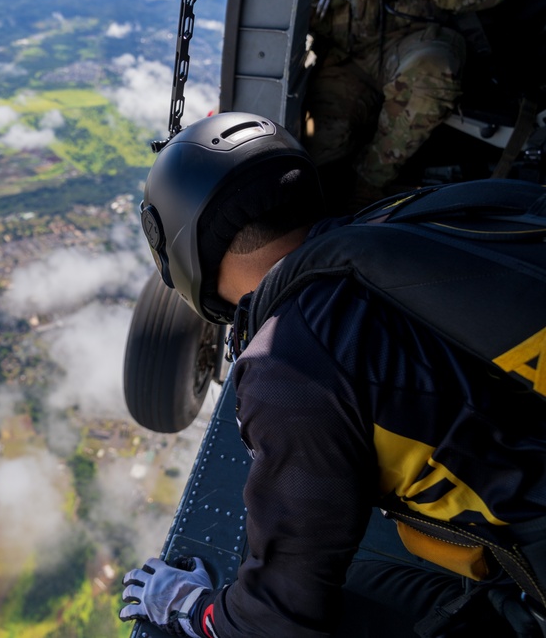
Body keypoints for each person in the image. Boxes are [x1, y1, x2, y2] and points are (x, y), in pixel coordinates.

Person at [120, 112, 546, 637]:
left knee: (363, 585)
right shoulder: (404, 224)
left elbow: (277, 621)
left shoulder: (288, 367)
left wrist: (191, 609)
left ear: (185, 254)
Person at [305, 0, 511, 207]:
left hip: (415, 39)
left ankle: (369, 183)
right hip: (347, 56)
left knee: (430, 77)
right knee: (310, 153)